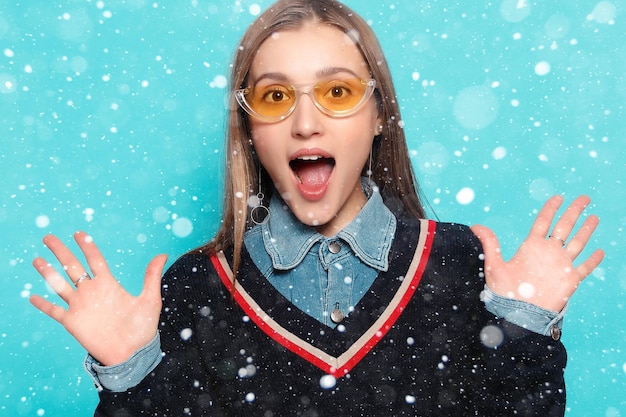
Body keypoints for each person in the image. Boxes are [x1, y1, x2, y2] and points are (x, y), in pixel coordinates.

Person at [30, 0, 605, 416]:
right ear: (250, 126)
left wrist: (525, 330)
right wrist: (132, 375)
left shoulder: (463, 264)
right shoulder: (193, 290)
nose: (306, 123)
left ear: (379, 115)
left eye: (336, 93)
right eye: (275, 96)